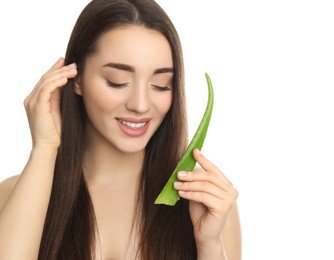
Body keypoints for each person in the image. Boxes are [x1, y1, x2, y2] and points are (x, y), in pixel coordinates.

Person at [0, 0, 241, 259]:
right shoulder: (14, 193)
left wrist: (210, 246)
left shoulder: (208, 204)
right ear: (77, 78)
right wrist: (44, 148)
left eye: (161, 85)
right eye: (117, 82)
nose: (140, 105)